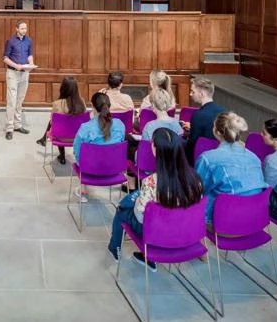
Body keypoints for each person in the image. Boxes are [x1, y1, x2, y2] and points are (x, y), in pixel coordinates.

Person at [108, 128, 203, 271]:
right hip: (184, 232)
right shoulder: (195, 179)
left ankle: (114, 247)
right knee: (135, 199)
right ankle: (148, 257)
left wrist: (137, 201)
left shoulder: (151, 182)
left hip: (157, 234)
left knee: (123, 210)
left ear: (156, 149)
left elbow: (140, 216)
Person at [195, 112, 266, 225]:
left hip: (223, 223)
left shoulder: (208, 158)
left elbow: (196, 192)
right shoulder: (255, 158)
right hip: (254, 222)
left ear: (217, 132)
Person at [73, 92, 126, 202]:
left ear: (92, 106)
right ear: (109, 106)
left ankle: (83, 190)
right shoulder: (120, 124)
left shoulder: (85, 128)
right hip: (114, 167)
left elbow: (77, 152)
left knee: (81, 156)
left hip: (90, 168)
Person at [36, 76, 88, 165]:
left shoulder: (57, 104)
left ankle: (62, 156)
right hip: (79, 136)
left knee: (59, 127)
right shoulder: (82, 102)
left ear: (62, 88)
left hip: (60, 137)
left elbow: (53, 122)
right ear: (76, 89)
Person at [2, 20, 35, 140]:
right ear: (16, 29)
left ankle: (18, 125)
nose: (24, 31)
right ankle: (9, 128)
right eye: (22, 28)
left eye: (25, 28)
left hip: (25, 73)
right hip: (13, 73)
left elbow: (30, 55)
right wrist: (16, 66)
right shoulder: (10, 41)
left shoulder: (29, 40)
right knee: (11, 100)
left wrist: (31, 64)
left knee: (20, 100)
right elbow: (5, 58)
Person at [184, 77, 225, 164]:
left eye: (193, 91)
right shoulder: (224, 112)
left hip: (200, 159)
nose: (190, 94)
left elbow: (192, 145)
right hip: (220, 157)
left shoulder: (198, 115)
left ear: (201, 94)